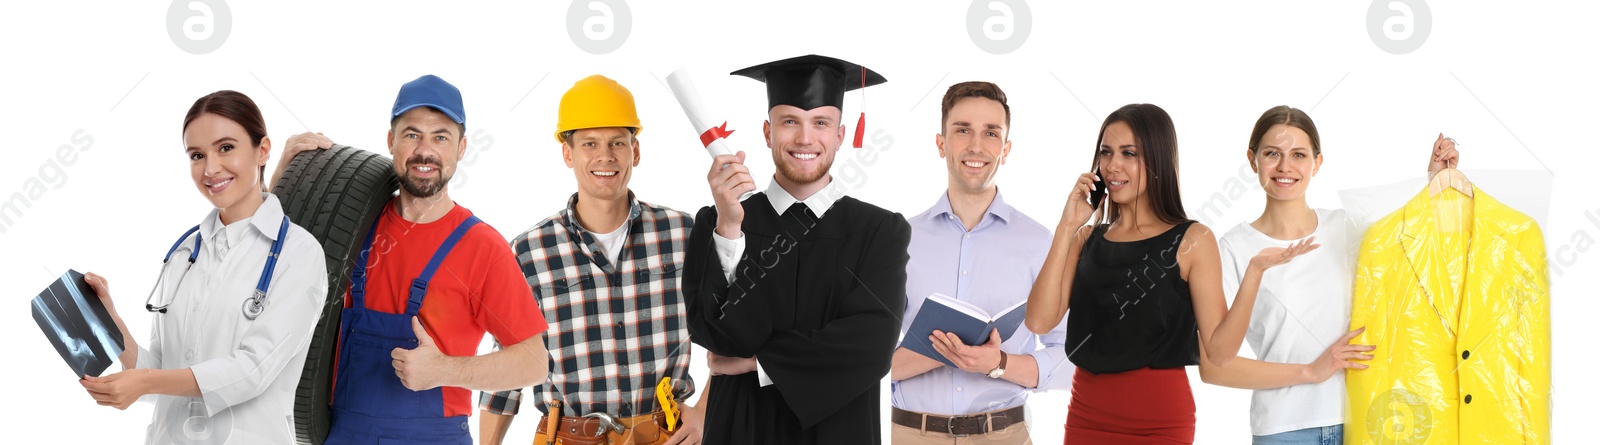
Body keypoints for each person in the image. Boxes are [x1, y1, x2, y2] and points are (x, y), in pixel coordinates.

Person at [1195, 106, 1458, 444]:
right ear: (1252, 159)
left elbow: (1420, 253)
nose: (1285, 166)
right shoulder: (1234, 248)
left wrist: (1435, 181)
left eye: (1299, 155)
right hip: (1286, 430)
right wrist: (1309, 371)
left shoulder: (1347, 228)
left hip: (1367, 418)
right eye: (1272, 153)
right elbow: (1214, 367)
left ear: (1317, 163)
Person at [684, 54, 912, 444]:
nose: (805, 139)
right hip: (741, 429)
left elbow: (871, 346)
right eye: (789, 121)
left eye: (820, 123)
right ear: (767, 132)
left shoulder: (879, 231)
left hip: (840, 433)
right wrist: (731, 227)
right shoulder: (718, 221)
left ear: (840, 136)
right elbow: (713, 334)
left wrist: (757, 364)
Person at [80, 90, 329, 444]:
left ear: (262, 151)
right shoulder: (183, 253)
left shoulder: (299, 253)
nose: (210, 169)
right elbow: (161, 376)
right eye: (197, 155)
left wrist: (146, 381)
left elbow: (252, 370)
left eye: (226, 148)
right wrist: (110, 324)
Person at [315, 74, 551, 444]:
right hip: (342, 433)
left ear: (461, 148)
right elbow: (271, 261)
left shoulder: (481, 246)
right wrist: (284, 172)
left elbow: (534, 362)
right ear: (391, 141)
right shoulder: (352, 226)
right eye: (412, 135)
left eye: (440, 137)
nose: (425, 151)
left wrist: (444, 370)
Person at [476, 75, 706, 445]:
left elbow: (734, 334)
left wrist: (706, 411)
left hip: (668, 437)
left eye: (618, 142)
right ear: (568, 153)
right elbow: (506, 368)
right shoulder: (528, 252)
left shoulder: (683, 234)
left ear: (636, 150)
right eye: (589, 143)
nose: (605, 156)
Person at [889, 81, 1070, 444]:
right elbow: (869, 356)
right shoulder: (899, 240)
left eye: (990, 133)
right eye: (962, 130)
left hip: (1004, 434)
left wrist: (998, 364)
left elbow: (1071, 355)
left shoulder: (1040, 244)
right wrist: (948, 351)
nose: (975, 145)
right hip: (915, 434)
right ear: (941, 143)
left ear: (1006, 149)